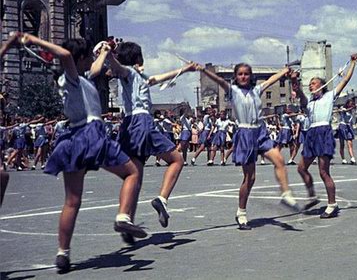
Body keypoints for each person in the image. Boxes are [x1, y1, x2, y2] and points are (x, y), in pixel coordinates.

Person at [1, 32, 146, 272]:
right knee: (131, 173)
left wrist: (106, 51)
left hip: (73, 139)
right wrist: (31, 39)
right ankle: (123, 216)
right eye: (87, 56)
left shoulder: (81, 79)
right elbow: (66, 54)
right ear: (78, 59)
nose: (91, 59)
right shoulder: (71, 74)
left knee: (72, 201)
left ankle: (63, 253)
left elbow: (97, 67)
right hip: (92, 134)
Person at [107, 41, 196, 239]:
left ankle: (126, 219)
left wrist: (186, 69)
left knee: (134, 177)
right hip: (141, 122)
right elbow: (116, 67)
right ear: (138, 59)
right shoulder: (128, 72)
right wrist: (108, 53)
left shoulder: (138, 76)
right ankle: (162, 199)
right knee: (177, 160)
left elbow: (161, 77)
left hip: (127, 125)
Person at [196, 62, 300, 230]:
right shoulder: (234, 91)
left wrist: (285, 71)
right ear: (235, 77)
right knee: (250, 178)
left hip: (260, 132)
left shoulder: (256, 91)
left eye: (246, 74)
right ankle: (241, 212)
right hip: (245, 134)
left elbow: (272, 79)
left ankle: (286, 194)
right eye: (240, 74)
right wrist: (203, 70)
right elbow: (219, 80)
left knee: (279, 159)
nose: (243, 76)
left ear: (251, 76)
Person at [291, 56, 357, 218]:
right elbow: (299, 92)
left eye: (313, 83)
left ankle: (332, 204)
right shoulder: (309, 102)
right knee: (301, 168)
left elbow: (346, 79)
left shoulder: (329, 96)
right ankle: (312, 195)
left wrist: (353, 63)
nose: (310, 85)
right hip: (312, 134)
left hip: (324, 132)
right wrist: (294, 81)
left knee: (323, 172)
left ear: (322, 85)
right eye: (310, 84)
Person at [336, 99, 357, 165]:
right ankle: (343, 159)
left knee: (350, 143)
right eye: (350, 103)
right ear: (347, 104)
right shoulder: (343, 109)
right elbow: (345, 110)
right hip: (342, 126)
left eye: (352, 103)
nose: (351, 105)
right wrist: (352, 107)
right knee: (342, 144)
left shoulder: (352, 111)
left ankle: (352, 158)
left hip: (348, 127)